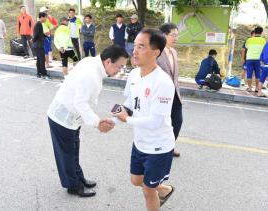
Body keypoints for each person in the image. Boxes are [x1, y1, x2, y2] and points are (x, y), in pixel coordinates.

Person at [47, 45, 128, 197]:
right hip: (62, 118)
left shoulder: (93, 62)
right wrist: (97, 122)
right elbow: (80, 103)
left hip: (72, 117)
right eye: (120, 66)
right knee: (67, 154)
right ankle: (74, 186)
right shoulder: (91, 74)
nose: (120, 70)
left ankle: (79, 178)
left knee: (73, 150)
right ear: (109, 62)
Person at [114, 29, 175, 211]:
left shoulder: (163, 82)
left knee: (148, 191)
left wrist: (127, 120)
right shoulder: (134, 74)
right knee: (136, 180)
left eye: (141, 47)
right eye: (135, 45)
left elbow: (155, 122)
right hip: (140, 142)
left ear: (156, 52)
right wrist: (114, 120)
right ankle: (164, 189)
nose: (134, 50)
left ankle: (156, 190)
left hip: (158, 147)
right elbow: (129, 102)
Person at [157, 23, 182, 158]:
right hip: (161, 94)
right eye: (173, 35)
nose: (176, 38)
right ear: (164, 35)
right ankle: (162, 148)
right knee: (162, 123)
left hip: (175, 94)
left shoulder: (173, 51)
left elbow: (174, 75)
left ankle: (169, 146)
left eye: (177, 35)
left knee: (177, 120)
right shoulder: (156, 52)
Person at [245, 26, 266, 92]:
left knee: (249, 74)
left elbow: (247, 47)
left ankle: (249, 88)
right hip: (258, 59)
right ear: (261, 32)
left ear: (255, 32)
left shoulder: (249, 40)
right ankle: (257, 88)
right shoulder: (263, 40)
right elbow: (264, 50)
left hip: (249, 59)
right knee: (258, 74)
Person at [32, 12, 50, 79]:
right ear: (41, 17)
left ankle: (39, 73)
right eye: (45, 17)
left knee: (39, 60)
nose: (46, 19)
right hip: (38, 45)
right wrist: (32, 41)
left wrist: (45, 35)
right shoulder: (38, 24)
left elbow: (40, 34)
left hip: (38, 45)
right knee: (42, 60)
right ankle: (43, 74)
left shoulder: (39, 24)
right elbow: (36, 35)